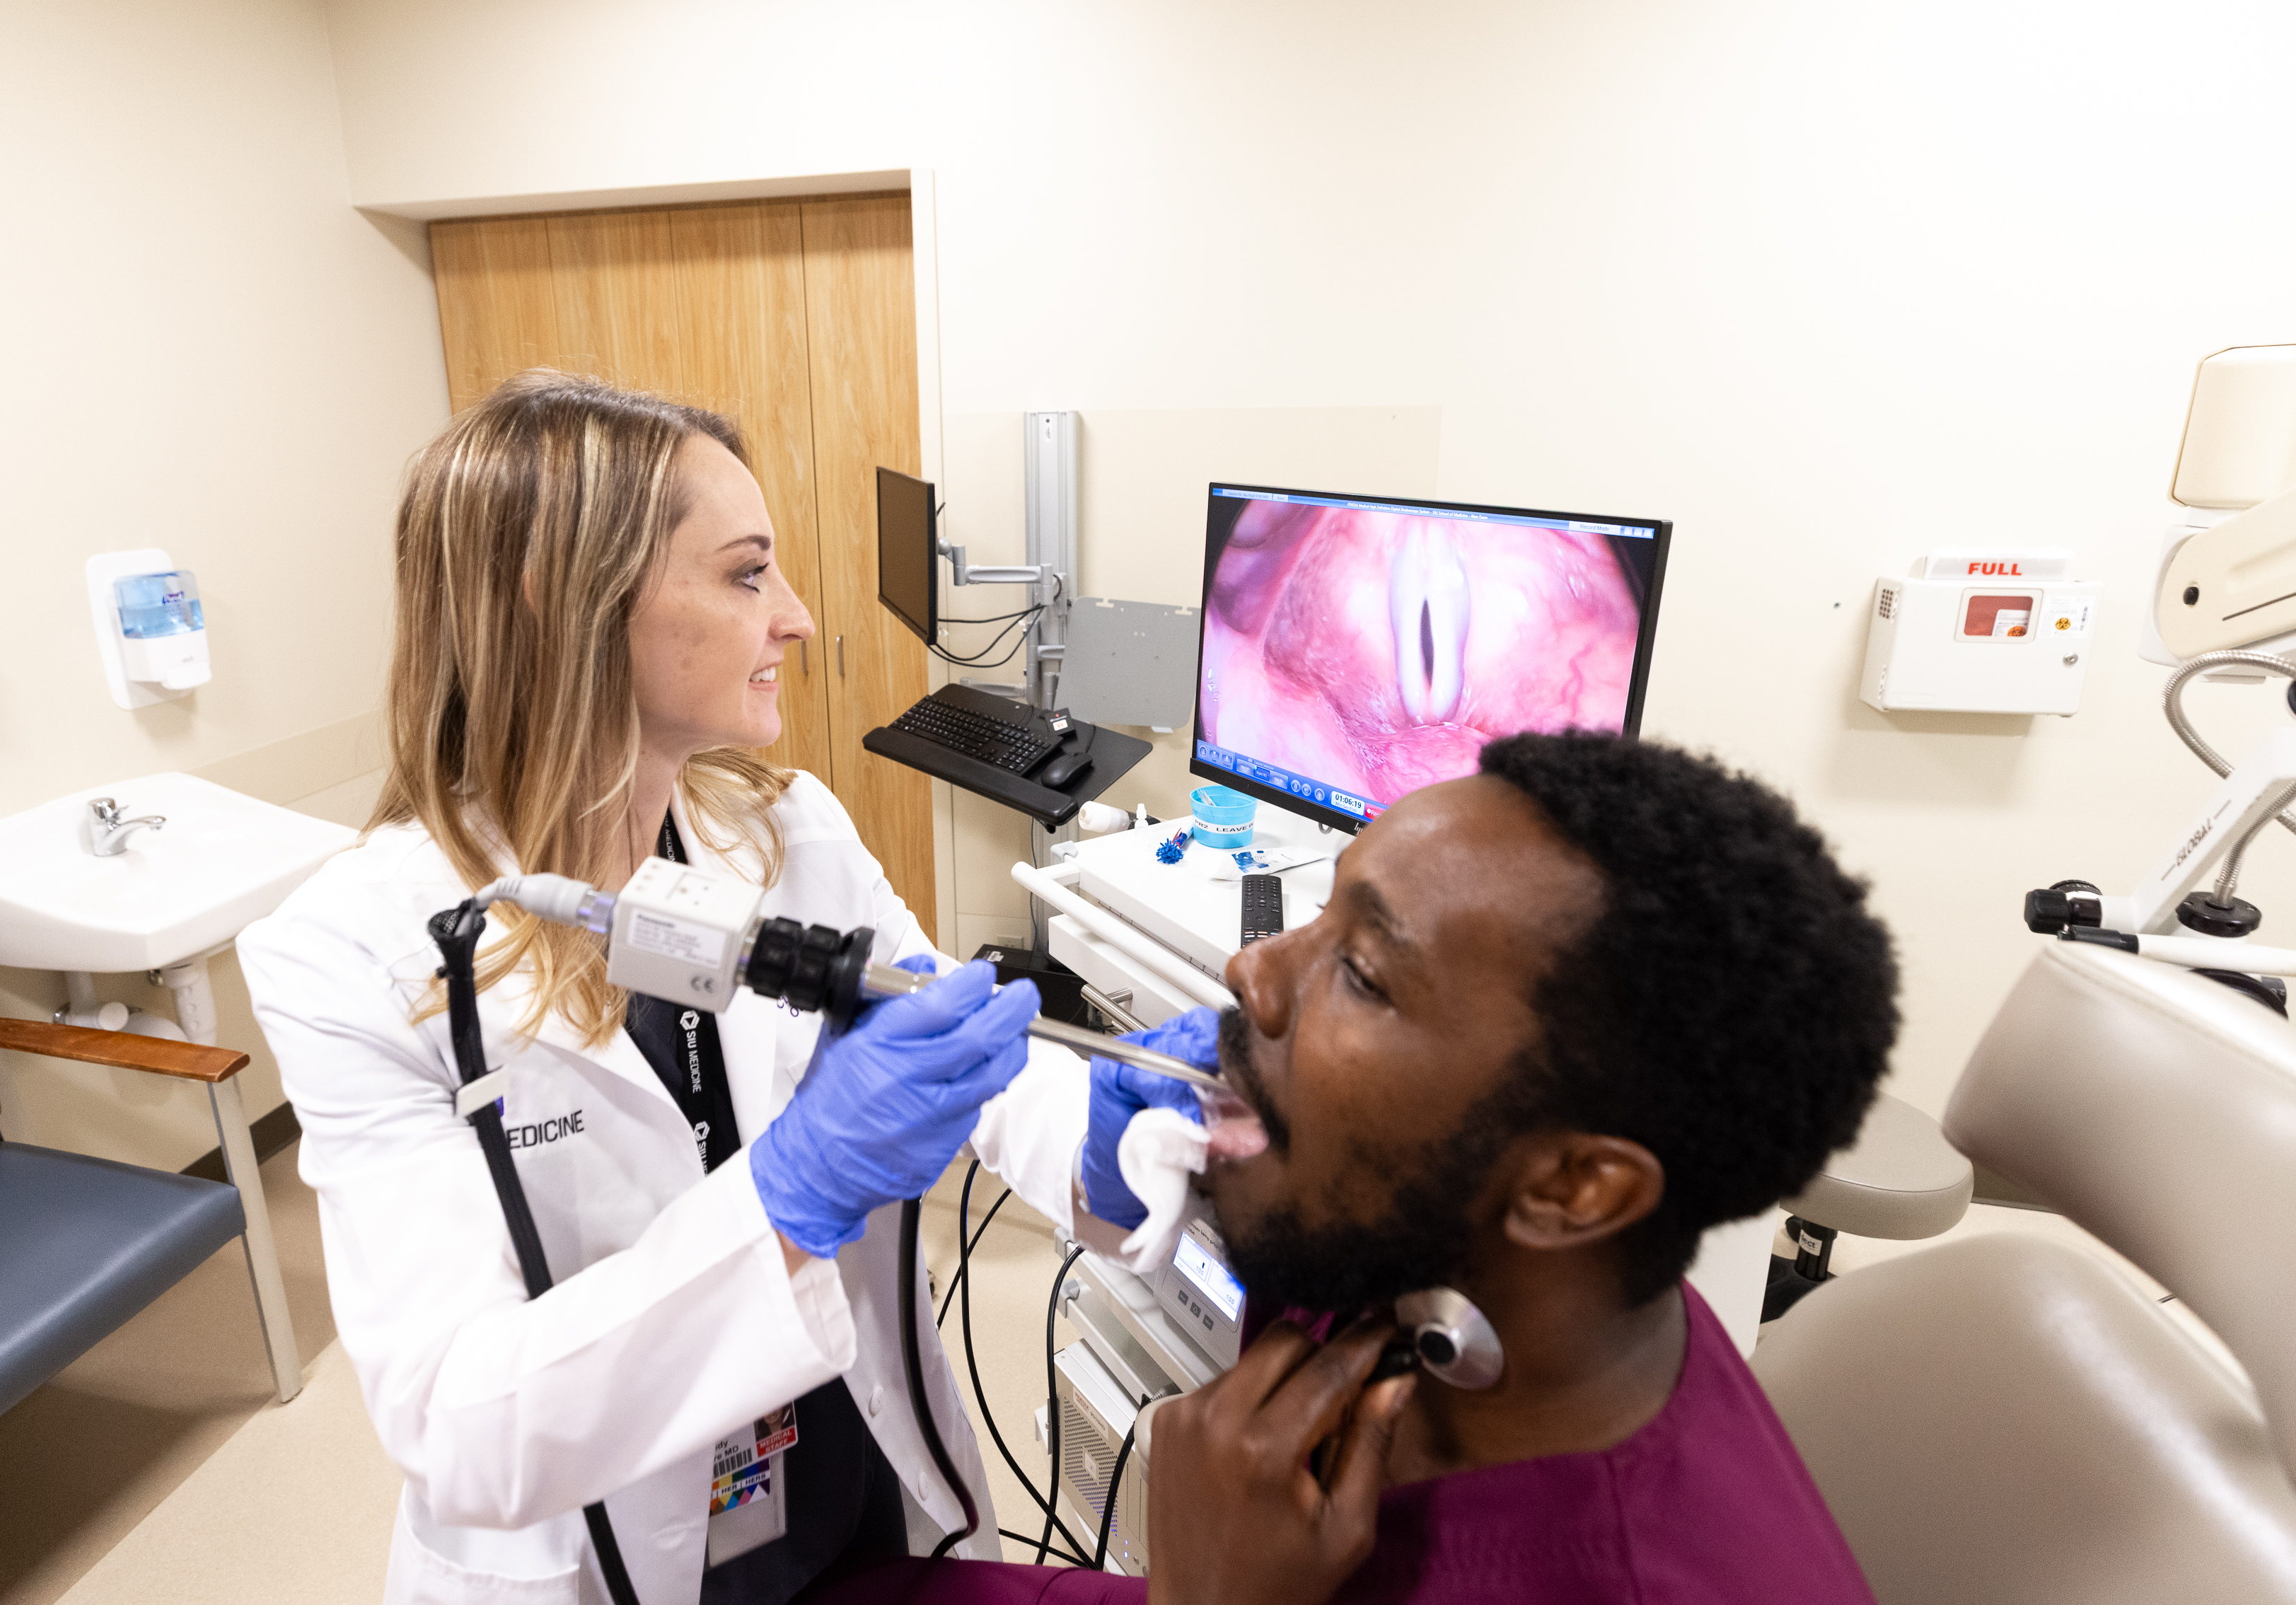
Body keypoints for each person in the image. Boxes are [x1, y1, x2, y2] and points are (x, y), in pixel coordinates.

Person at [239, 372, 1098, 1605]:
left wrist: (1113, 1147)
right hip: (603, 1552)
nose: (796, 618)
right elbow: (456, 1423)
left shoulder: (790, 831)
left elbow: (961, 1043)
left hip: (844, 1482)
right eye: (748, 574)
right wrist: (790, 1192)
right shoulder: (353, 955)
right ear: (566, 599)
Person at [815, 730, 1896, 1604]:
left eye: (1365, 973)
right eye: (1318, 913)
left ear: (1574, 1188)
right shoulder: (1407, 1241)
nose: (1252, 969)